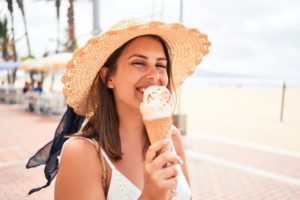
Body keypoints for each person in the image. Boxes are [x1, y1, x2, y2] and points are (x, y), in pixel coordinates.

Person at [26, 19, 210, 199]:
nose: (155, 75)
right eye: (139, 63)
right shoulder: (81, 153)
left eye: (161, 65)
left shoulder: (173, 138)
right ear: (108, 77)